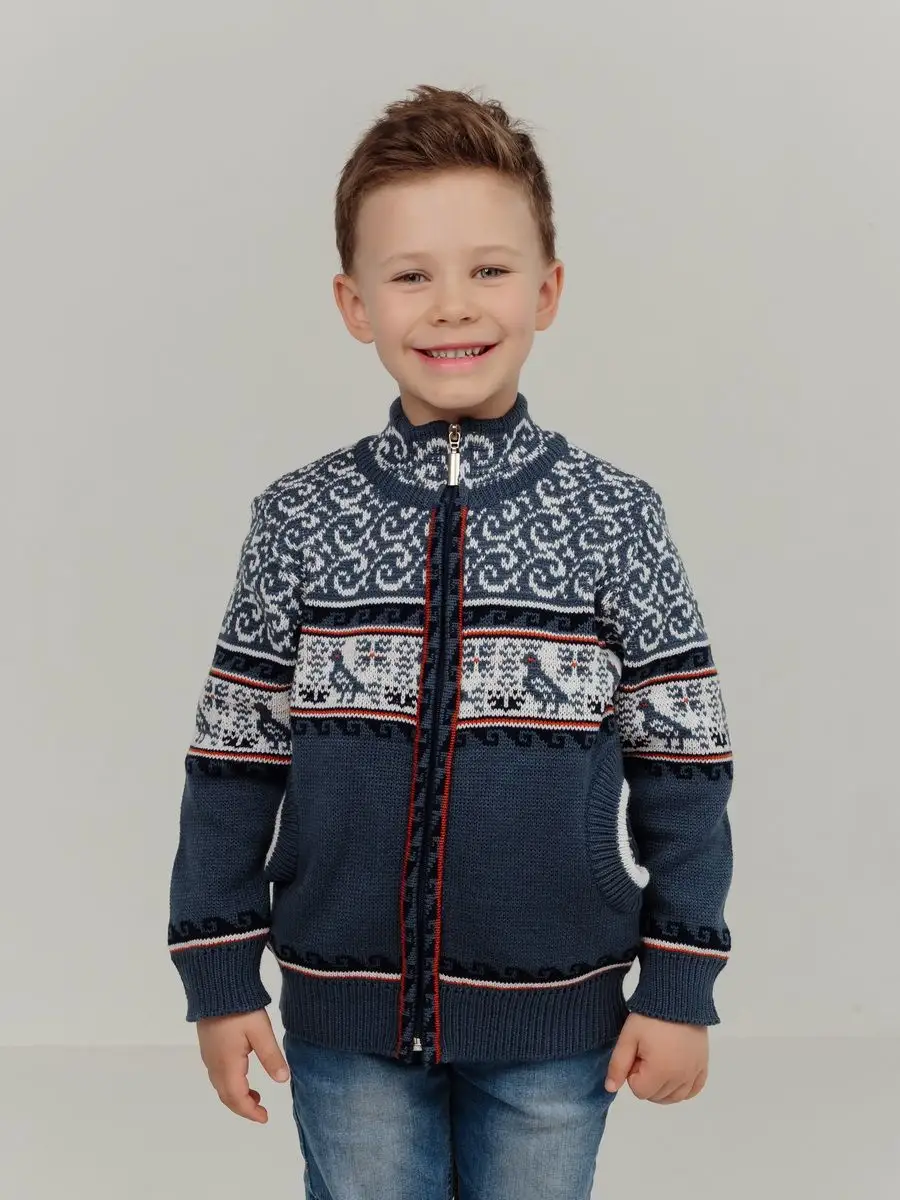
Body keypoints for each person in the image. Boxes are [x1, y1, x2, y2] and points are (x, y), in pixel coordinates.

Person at [167, 83, 734, 1199]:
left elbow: (686, 764)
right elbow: (233, 760)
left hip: (559, 1019)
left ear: (547, 290)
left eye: (489, 269)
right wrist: (219, 975)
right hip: (345, 1019)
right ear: (355, 303)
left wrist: (681, 983)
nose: (452, 307)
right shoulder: (298, 518)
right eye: (411, 276)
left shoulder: (615, 518)